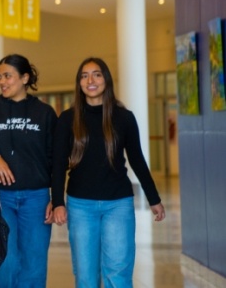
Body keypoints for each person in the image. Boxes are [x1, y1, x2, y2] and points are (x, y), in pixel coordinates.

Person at [52, 57, 165, 287]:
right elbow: (58, 163)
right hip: (80, 205)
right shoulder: (67, 119)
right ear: (79, 83)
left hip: (118, 204)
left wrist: (153, 198)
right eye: (84, 76)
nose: (90, 80)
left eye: (97, 74)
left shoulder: (123, 118)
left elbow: (137, 160)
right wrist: (57, 202)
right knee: (86, 277)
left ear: (106, 80)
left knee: (118, 275)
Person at [0, 54, 58, 288]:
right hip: (0, 199)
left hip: (37, 198)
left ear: (25, 78)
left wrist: (57, 198)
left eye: (8, 76)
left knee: (34, 261)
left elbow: (56, 158)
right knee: (5, 260)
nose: (2, 81)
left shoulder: (45, 113)